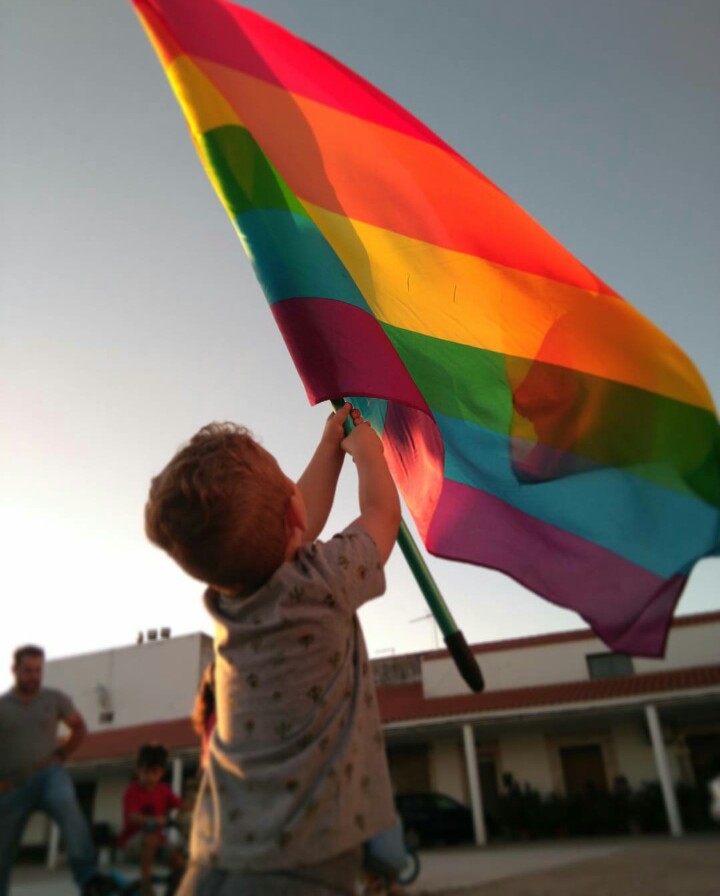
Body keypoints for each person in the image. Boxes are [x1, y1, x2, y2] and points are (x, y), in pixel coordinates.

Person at [144, 404, 401, 895]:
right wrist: (368, 453)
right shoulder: (324, 584)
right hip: (304, 856)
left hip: (219, 844)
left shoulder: (228, 600)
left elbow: (291, 518)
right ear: (294, 515)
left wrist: (328, 449)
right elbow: (381, 515)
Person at [0, 645, 112, 896]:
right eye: (27, 670)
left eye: (38, 670)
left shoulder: (54, 699)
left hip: (47, 776)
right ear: (14, 670)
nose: (33, 676)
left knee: (65, 801)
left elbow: (79, 727)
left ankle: (88, 877)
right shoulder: (3, 708)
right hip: (11, 786)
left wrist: (62, 754)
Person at [119, 743, 187, 896]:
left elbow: (182, 805)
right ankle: (146, 885)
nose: (149, 776)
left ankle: (174, 891)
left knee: (180, 861)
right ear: (138, 770)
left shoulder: (163, 790)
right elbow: (132, 817)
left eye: (154, 772)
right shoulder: (133, 790)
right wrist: (155, 820)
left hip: (158, 843)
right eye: (145, 771)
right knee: (151, 838)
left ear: (161, 772)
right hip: (132, 843)